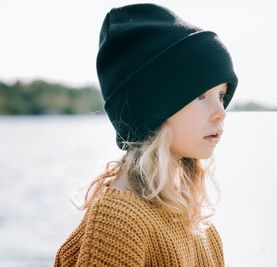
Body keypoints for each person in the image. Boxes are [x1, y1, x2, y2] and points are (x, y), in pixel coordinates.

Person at [54, 2, 238, 266]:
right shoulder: (119, 220)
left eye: (221, 95)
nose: (221, 112)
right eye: (200, 95)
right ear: (153, 109)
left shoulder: (197, 220)